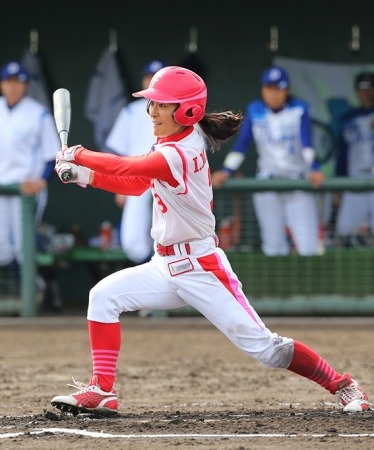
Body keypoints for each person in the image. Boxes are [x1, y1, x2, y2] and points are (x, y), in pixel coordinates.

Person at [51, 66, 368, 415]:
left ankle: (342, 384)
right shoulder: (167, 142)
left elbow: (129, 168)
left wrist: (78, 155)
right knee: (103, 297)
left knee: (267, 349)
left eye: (161, 104)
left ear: (186, 110)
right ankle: (102, 390)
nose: (152, 111)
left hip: (201, 266)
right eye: (152, 103)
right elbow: (138, 184)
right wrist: (85, 175)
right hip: (165, 264)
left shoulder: (180, 151)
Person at [211, 66, 325, 256]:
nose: (273, 94)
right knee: (272, 245)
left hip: (297, 182)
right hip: (267, 182)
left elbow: (307, 144)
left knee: (308, 245)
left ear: (287, 90)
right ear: (263, 89)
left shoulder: (300, 108)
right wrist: (227, 170)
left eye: (278, 89)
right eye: (269, 88)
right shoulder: (255, 110)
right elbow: (242, 145)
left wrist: (314, 168)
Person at [0, 61, 60, 301]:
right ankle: (12, 294)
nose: (13, 87)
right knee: (3, 246)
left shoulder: (38, 113)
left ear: (26, 85)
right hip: (1, 189)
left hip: (25, 188)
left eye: (18, 82)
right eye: (9, 81)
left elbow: (52, 154)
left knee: (23, 245)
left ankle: (35, 291)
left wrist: (41, 181)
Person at [105, 60, 166, 268]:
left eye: (157, 76)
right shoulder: (131, 111)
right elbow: (118, 152)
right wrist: (118, 184)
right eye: (149, 76)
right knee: (132, 241)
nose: (151, 81)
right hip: (136, 178)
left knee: (171, 239)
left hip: (169, 179)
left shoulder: (181, 110)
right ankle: (148, 278)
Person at [334, 71, 374, 247]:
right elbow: (342, 155)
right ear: (356, 91)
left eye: (369, 87)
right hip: (355, 177)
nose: (366, 92)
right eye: (362, 87)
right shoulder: (348, 119)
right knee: (344, 231)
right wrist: (338, 186)